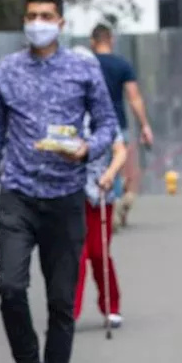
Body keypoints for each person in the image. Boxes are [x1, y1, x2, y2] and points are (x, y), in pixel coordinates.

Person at [0, 0, 119, 363]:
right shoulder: (8, 70)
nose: (38, 22)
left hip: (66, 196)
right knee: (10, 287)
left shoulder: (83, 70)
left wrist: (87, 149)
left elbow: (108, 124)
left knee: (60, 300)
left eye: (46, 14)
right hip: (18, 195)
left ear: (61, 23)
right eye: (31, 14)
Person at [89, 24, 152, 228]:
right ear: (111, 40)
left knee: (97, 169)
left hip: (92, 126)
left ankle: (106, 209)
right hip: (117, 123)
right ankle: (115, 206)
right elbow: (134, 98)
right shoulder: (122, 65)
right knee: (116, 168)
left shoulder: (87, 65)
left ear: (93, 42)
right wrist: (144, 125)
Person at [74, 138, 128, 326]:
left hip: (100, 193)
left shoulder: (104, 115)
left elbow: (121, 151)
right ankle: (69, 311)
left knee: (99, 253)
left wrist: (111, 173)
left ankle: (111, 306)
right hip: (72, 195)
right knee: (77, 255)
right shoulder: (66, 112)